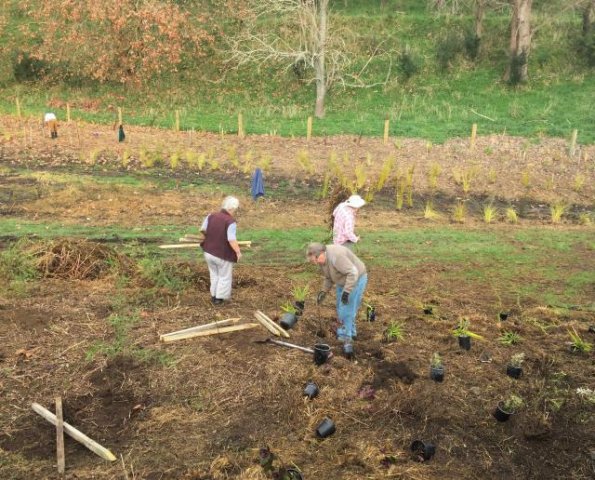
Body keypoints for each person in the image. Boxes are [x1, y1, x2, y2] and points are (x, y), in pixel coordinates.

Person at [307, 242, 367, 358]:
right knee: (340, 308)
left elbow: (353, 273)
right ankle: (351, 332)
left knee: (346, 309)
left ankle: (346, 338)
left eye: (314, 260)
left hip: (355, 279)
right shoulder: (322, 259)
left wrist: (347, 292)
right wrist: (323, 292)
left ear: (320, 254)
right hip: (342, 280)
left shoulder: (336, 257)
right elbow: (329, 277)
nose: (315, 263)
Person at [200, 196, 242, 305]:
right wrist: (238, 252)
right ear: (231, 209)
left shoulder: (211, 216)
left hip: (208, 252)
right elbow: (231, 239)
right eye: (235, 210)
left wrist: (212, 237)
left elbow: (203, 230)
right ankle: (219, 299)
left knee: (214, 274)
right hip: (221, 254)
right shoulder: (230, 221)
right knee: (224, 276)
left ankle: (213, 296)